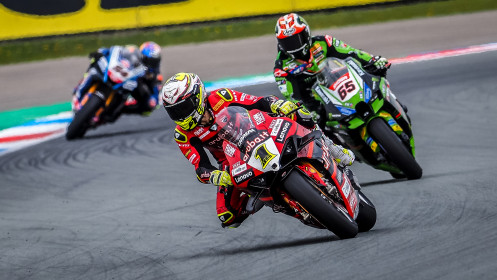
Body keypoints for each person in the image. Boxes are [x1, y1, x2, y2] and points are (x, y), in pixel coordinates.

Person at [161, 72, 356, 228]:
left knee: (300, 113)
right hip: (231, 161)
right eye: (174, 111)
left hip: (257, 130)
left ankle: (332, 148)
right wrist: (216, 176)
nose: (180, 115)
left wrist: (279, 104)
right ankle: (278, 200)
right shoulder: (183, 135)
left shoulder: (221, 97)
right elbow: (201, 167)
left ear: (198, 97)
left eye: (183, 107)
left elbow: (257, 102)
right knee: (227, 216)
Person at [273, 13, 391, 121]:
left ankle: (394, 108)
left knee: (377, 77)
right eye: (288, 43)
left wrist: (372, 60)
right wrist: (307, 112)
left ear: (306, 33)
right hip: (318, 102)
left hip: (340, 83)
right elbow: (292, 97)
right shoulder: (281, 69)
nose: (294, 46)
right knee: (315, 127)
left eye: (297, 39)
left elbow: (352, 52)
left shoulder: (324, 42)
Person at [72, 41, 163, 118]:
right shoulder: (132, 53)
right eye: (149, 60)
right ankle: (80, 88)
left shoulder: (155, 75)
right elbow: (116, 51)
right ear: (142, 56)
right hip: (119, 74)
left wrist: (149, 99)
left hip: (130, 91)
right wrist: (101, 52)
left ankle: (113, 112)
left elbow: (155, 97)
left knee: (145, 106)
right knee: (94, 66)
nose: (151, 63)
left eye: (154, 61)